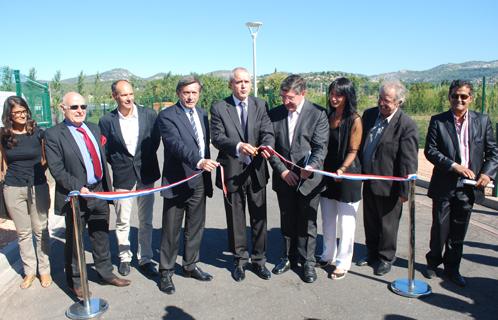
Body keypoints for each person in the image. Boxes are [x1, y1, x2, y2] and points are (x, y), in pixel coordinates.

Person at [45, 92, 130, 299]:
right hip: (76, 196)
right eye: (74, 107)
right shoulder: (54, 134)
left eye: (83, 106)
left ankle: (105, 273)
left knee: (101, 235)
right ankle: (76, 281)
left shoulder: (93, 128)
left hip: (99, 191)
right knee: (75, 242)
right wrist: (79, 187)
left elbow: (102, 158)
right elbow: (57, 169)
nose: (80, 111)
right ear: (62, 108)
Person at [424, 80, 498, 287]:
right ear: (449, 97)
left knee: (459, 231)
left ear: (470, 98)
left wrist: (488, 174)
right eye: (455, 95)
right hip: (445, 183)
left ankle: (452, 268)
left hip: (469, 186)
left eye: (463, 96)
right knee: (439, 228)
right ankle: (433, 262)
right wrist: (454, 166)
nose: (459, 100)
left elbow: (493, 152)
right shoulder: (438, 121)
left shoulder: (482, 121)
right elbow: (431, 151)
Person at [211, 67, 275, 282]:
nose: (243, 85)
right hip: (232, 171)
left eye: (247, 81)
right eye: (239, 82)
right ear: (231, 84)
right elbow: (217, 137)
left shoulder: (260, 105)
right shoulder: (220, 107)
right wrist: (238, 146)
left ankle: (259, 260)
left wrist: (266, 146)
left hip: (256, 171)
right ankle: (240, 261)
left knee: (259, 217)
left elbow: (268, 131)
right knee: (236, 219)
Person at [156, 76, 218, 294]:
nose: (190, 97)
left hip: (199, 180)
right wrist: (198, 161)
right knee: (171, 230)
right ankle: (165, 272)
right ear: (178, 94)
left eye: (194, 92)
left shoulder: (202, 114)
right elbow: (175, 144)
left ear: (199, 93)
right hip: (177, 180)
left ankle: (190, 265)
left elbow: (204, 144)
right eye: (186, 93)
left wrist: (203, 165)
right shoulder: (166, 116)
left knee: (195, 226)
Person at [268, 74, 329, 283]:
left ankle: (308, 263)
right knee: (287, 221)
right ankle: (288, 257)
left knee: (308, 224)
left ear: (303, 93)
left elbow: (321, 147)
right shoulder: (275, 114)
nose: (286, 102)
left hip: (309, 181)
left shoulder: (318, 114)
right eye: (283, 97)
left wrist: (311, 167)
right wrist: (283, 171)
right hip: (284, 178)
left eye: (290, 98)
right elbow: (269, 148)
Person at [99, 80, 160, 277]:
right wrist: (119, 163)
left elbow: (155, 140)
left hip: (146, 174)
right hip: (123, 176)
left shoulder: (149, 115)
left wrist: (143, 161)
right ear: (114, 96)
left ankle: (145, 258)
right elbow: (106, 150)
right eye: (123, 95)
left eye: (131, 94)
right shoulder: (107, 121)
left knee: (146, 220)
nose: (128, 98)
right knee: (122, 220)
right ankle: (125, 258)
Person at [357, 80, 418, 276]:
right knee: (370, 221)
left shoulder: (406, 125)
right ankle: (371, 252)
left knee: (388, 224)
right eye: (380, 98)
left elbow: (409, 160)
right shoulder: (369, 115)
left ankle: (385, 258)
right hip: (368, 180)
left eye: (387, 101)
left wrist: (404, 190)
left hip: (390, 184)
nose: (382, 103)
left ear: (399, 102)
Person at [1, 96, 51, 289]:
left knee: (40, 230)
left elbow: (45, 159)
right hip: (13, 188)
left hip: (37, 185)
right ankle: (29, 271)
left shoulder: (38, 132)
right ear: (9, 115)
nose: (21, 115)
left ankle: (44, 270)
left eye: (24, 112)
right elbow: (3, 161)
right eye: (17, 113)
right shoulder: (3, 135)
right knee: (23, 233)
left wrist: (38, 174)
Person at [316, 78, 363, 280]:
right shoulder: (327, 116)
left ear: (347, 96)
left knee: (346, 222)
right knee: (327, 218)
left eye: (339, 94)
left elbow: (354, 149)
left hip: (348, 175)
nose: (334, 98)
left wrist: (342, 169)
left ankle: (343, 262)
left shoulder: (355, 119)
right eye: (332, 93)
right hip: (328, 174)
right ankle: (327, 254)